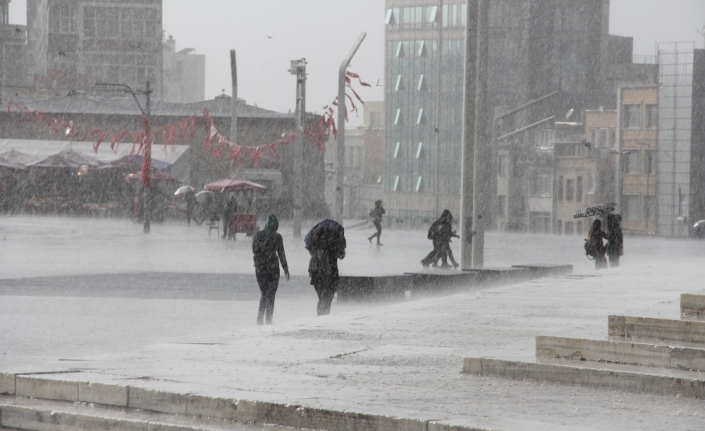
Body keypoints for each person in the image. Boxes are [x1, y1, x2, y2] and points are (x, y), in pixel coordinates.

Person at [252, 214, 289, 325]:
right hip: (273, 269)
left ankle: (259, 317)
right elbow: (281, 253)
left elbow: (254, 250)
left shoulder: (257, 235)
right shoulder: (277, 237)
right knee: (271, 294)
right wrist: (286, 268)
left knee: (264, 293)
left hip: (260, 268)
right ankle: (268, 318)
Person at [306, 219, 346, 316]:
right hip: (331, 272)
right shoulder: (335, 240)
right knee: (327, 298)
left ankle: (320, 316)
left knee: (322, 297)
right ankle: (324, 316)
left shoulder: (314, 241)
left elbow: (310, 250)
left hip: (316, 272)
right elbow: (341, 255)